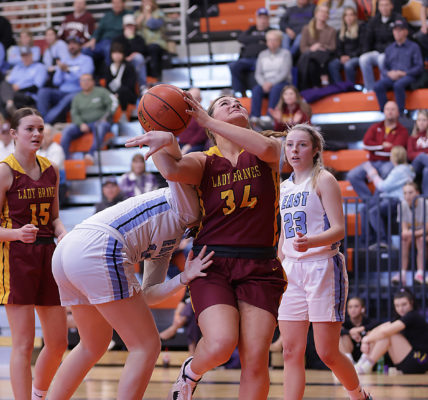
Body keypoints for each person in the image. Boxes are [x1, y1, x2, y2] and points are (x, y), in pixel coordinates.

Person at [126, 94, 287, 400]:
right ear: (211, 124)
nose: (234, 104)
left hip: (260, 265)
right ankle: (191, 371)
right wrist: (160, 135)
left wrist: (208, 120)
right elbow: (172, 170)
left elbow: (270, 151)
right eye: (224, 103)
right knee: (221, 344)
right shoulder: (204, 160)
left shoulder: (267, 147)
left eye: (237, 102)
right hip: (213, 262)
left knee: (256, 359)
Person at [49, 178, 214, 400]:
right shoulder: (187, 203)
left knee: (93, 344)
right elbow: (175, 172)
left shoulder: (171, 237)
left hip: (68, 250)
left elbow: (148, 295)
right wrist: (163, 153)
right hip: (99, 245)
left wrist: (183, 278)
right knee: (146, 346)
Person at [277, 123, 372, 400]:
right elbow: (283, 234)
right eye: (290, 144)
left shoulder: (324, 179)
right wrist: (277, 266)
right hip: (291, 270)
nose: (294, 150)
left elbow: (339, 229)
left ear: (315, 149)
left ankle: (359, 396)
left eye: (302, 144)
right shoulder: (283, 187)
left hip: (323, 266)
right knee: (290, 351)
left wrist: (312, 242)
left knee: (327, 352)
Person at [0, 108, 67, 400]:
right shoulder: (5, 171)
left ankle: (39, 394)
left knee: (58, 342)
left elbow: (55, 217)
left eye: (40, 128)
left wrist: (62, 231)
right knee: (24, 344)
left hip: (48, 255)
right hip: (16, 258)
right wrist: (15, 234)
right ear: (14, 133)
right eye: (29, 129)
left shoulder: (51, 169)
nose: (37, 134)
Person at [355, 288, 428, 375]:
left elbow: (385, 332)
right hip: (406, 361)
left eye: (404, 304)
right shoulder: (400, 317)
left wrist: (365, 340)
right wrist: (367, 338)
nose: (401, 308)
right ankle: (364, 360)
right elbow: (380, 328)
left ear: (411, 303)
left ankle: (366, 365)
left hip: (420, 360)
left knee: (389, 334)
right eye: (397, 305)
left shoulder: (413, 315)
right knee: (381, 331)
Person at [347, 101, 408, 199]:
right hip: (372, 162)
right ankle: (369, 202)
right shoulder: (375, 127)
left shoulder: (402, 131)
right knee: (352, 175)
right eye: (387, 109)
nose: (390, 112)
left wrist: (375, 149)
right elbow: (366, 144)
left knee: (387, 172)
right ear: (384, 111)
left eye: (393, 109)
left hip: (389, 162)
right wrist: (382, 146)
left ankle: (376, 203)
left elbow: (396, 151)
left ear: (398, 112)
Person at [362, 145, 414, 249]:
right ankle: (369, 241)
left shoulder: (400, 170)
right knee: (364, 209)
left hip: (396, 200)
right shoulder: (403, 169)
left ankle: (384, 241)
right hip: (387, 198)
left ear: (393, 157)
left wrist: (373, 175)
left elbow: (383, 186)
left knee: (374, 212)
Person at [36, 35, 94, 125]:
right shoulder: (64, 60)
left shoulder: (87, 60)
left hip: (78, 92)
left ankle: (44, 123)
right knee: (43, 92)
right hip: (61, 91)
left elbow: (85, 79)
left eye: (74, 43)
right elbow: (56, 82)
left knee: (67, 99)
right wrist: (61, 70)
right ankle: (41, 118)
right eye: (69, 44)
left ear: (80, 45)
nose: (71, 46)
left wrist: (68, 70)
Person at [373, 18, 423, 116]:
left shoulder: (414, 47)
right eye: (395, 30)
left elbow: (419, 66)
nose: (397, 32)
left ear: (406, 32)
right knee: (378, 86)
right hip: (392, 76)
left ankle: (400, 114)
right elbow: (384, 68)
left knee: (398, 85)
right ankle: (386, 113)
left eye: (400, 30)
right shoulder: (389, 48)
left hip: (408, 76)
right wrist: (389, 73)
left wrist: (405, 73)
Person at [60, 73, 112, 163]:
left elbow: (112, 104)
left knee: (101, 126)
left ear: (93, 82)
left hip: (99, 121)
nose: (85, 82)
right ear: (80, 83)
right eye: (83, 80)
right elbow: (74, 113)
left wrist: (105, 117)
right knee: (67, 130)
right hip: (83, 123)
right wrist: (81, 124)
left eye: (88, 80)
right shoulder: (77, 97)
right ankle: (66, 159)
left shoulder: (101, 92)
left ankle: (91, 154)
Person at [250, 30, 292, 124]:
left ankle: (270, 116)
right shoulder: (262, 54)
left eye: (274, 40)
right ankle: (254, 116)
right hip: (265, 83)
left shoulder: (286, 53)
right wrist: (263, 84)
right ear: (266, 42)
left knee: (275, 89)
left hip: (282, 82)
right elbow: (258, 73)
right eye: (270, 40)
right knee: (256, 89)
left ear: (280, 41)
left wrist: (271, 83)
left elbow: (284, 73)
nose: (272, 42)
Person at [228, 7, 272, 97]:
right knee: (233, 65)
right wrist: (261, 38)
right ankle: (241, 93)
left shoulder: (271, 31)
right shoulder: (251, 29)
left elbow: (272, 40)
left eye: (265, 18)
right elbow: (241, 38)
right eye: (260, 18)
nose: (262, 20)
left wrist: (251, 39)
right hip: (247, 59)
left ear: (268, 19)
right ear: (257, 19)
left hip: (263, 59)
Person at [358, 0, 401, 92]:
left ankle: (383, 87)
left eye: (386, 5)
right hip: (377, 51)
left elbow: (398, 40)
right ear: (378, 7)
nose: (384, 8)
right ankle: (370, 89)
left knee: (382, 59)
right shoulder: (374, 20)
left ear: (391, 6)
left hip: (391, 52)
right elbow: (368, 39)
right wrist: (365, 51)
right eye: (382, 5)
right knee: (363, 58)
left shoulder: (398, 19)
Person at [392, 182, 428, 285]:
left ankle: (420, 273)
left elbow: (426, 229)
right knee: (404, 240)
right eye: (405, 193)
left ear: (417, 193)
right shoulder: (402, 205)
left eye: (410, 192)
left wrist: (410, 233)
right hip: (414, 235)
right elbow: (404, 229)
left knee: (421, 239)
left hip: (424, 235)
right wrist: (408, 233)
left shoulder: (425, 204)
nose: (407, 196)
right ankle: (402, 273)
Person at [0, 46, 48, 117]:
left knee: (3, 95)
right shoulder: (17, 68)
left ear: (32, 55)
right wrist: (12, 87)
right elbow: (8, 82)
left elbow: (36, 87)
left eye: (27, 56)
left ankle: (7, 113)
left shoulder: (39, 67)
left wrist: (19, 88)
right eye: (23, 56)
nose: (25, 58)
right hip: (13, 93)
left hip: (28, 96)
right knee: (3, 84)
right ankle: (10, 104)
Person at [297, 4, 337, 90]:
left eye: (326, 12)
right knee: (311, 61)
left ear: (328, 15)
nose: (323, 14)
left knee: (316, 57)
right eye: (321, 11)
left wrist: (320, 46)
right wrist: (312, 48)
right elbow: (302, 48)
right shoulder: (306, 29)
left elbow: (333, 47)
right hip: (311, 56)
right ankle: (322, 76)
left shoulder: (331, 30)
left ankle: (312, 87)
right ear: (316, 13)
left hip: (325, 55)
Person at [112, 14, 148, 93]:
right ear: (124, 27)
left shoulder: (139, 38)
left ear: (135, 26)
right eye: (128, 26)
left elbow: (143, 51)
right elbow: (114, 51)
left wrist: (131, 39)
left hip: (135, 63)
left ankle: (142, 86)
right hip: (121, 62)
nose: (130, 28)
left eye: (131, 25)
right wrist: (124, 58)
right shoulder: (118, 39)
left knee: (138, 57)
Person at [328, 7, 363, 85]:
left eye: (351, 15)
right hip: (344, 57)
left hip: (356, 56)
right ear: (343, 18)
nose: (349, 17)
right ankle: (340, 86)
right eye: (346, 15)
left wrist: (350, 56)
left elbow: (362, 47)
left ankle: (350, 87)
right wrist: (341, 56)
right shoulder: (340, 32)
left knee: (348, 64)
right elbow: (339, 48)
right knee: (332, 64)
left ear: (355, 17)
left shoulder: (361, 29)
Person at [135, 0, 168, 80]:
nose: (146, 4)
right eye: (144, 2)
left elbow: (153, 25)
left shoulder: (159, 13)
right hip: (141, 42)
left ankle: (155, 77)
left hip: (156, 42)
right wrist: (142, 15)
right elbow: (134, 27)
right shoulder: (137, 13)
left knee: (153, 49)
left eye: (148, 1)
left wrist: (147, 14)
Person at [340, 297, 379, 363]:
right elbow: (334, 331)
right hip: (350, 352)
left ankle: (364, 364)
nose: (353, 309)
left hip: (366, 354)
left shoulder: (367, 321)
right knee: (342, 336)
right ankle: (349, 363)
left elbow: (378, 324)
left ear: (362, 309)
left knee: (371, 333)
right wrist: (350, 332)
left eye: (356, 306)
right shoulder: (345, 322)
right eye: (350, 307)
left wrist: (360, 329)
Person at [102, 42, 137, 113]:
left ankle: (123, 113)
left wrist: (117, 94)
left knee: (124, 91)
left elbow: (130, 85)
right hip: (112, 95)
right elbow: (107, 85)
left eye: (119, 53)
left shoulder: (129, 67)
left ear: (123, 54)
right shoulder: (108, 68)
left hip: (126, 95)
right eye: (114, 53)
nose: (117, 55)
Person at [37, 124, 67, 207]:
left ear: (52, 136)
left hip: (57, 187)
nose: (43, 137)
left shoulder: (57, 149)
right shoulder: (37, 151)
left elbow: (51, 170)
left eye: (46, 135)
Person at [176, 88, 208, 154]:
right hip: (180, 143)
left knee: (186, 155)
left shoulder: (204, 114)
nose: (192, 100)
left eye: (195, 98)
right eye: (189, 97)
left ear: (200, 99)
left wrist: (189, 145)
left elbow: (202, 134)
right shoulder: (183, 113)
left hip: (195, 145)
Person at [408, 110, 428, 196]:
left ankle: (426, 197)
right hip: (415, 166)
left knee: (427, 170)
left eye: (424, 120)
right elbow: (410, 155)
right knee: (422, 156)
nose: (421, 123)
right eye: (419, 120)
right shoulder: (412, 138)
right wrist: (423, 154)